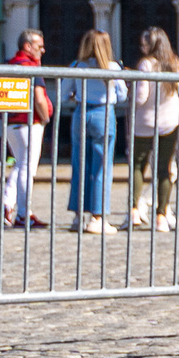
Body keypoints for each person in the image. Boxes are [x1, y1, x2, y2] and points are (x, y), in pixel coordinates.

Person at [62, 31, 127, 234]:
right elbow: (122, 95)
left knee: (79, 164)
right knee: (101, 167)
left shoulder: (77, 66)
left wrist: (75, 96)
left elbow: (63, 93)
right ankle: (97, 217)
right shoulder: (113, 67)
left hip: (81, 112)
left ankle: (77, 216)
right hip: (103, 113)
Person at [129, 29, 179, 231]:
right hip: (170, 121)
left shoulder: (147, 64)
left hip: (145, 121)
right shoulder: (178, 64)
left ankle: (134, 210)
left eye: (144, 44)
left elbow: (141, 96)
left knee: (138, 165)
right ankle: (161, 215)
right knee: (164, 168)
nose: (142, 48)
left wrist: (131, 92)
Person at [0, 30, 52, 228]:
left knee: (21, 165)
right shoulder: (30, 67)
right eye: (39, 46)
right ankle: (23, 213)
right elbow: (39, 97)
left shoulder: (10, 64)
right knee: (27, 169)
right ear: (27, 47)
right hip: (30, 123)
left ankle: (7, 205)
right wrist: (45, 117)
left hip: (11, 123)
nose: (43, 50)